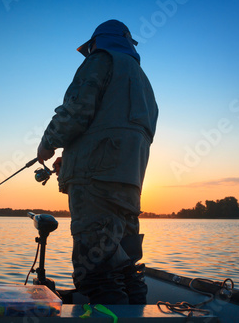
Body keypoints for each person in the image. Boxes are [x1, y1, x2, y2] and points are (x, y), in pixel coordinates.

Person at [37, 19, 158, 305]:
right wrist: (70, 160)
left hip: (95, 184)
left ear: (95, 44)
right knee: (126, 268)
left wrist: (48, 142)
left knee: (96, 272)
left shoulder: (100, 60)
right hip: (130, 186)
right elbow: (114, 129)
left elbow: (77, 111)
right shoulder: (142, 80)